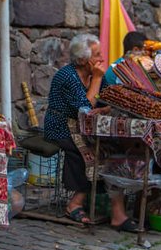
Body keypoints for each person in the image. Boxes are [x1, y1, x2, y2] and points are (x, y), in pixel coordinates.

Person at [42, 34, 134, 231]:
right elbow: (85, 108)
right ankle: (75, 203)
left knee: (112, 149)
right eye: (97, 55)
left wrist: (104, 108)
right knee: (88, 153)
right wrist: (98, 79)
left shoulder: (94, 73)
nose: (102, 58)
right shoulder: (67, 76)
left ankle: (117, 212)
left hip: (86, 126)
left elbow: (109, 100)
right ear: (83, 59)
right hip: (60, 126)